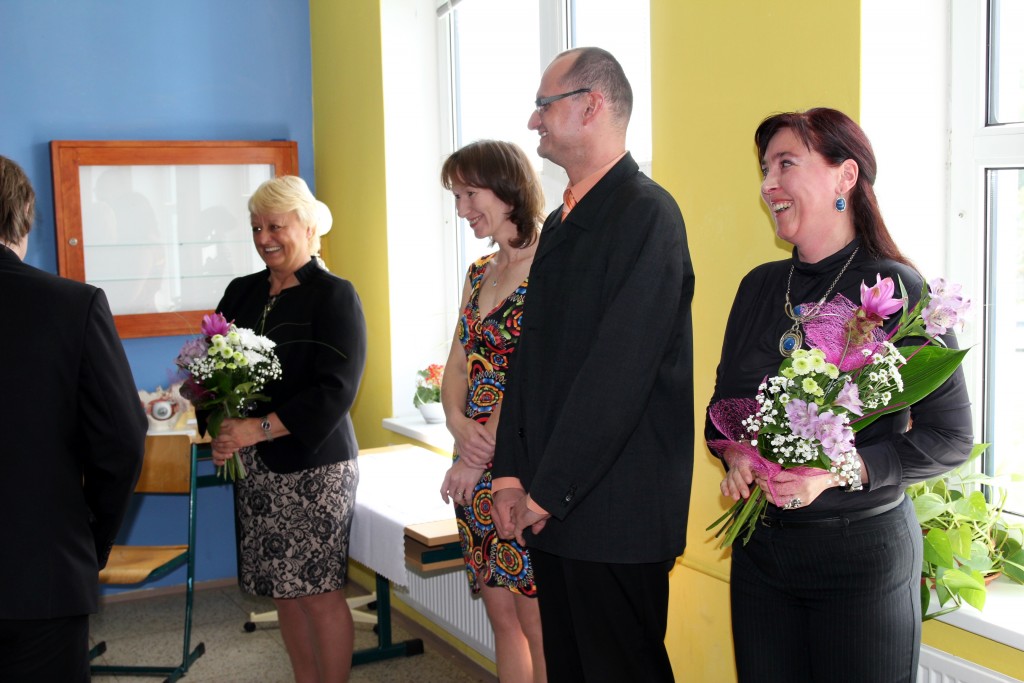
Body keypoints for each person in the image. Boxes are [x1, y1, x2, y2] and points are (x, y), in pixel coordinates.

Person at [707, 108, 974, 682]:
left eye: (786, 164)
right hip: (761, 553)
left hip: (861, 559)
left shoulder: (896, 291)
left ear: (845, 176)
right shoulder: (758, 287)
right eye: (764, 168)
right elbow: (722, 410)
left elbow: (950, 438)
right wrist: (737, 456)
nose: (768, 184)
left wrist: (837, 471)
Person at [491, 48, 695, 682]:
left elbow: (619, 374)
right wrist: (510, 473)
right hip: (553, 504)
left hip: (615, 512)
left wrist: (547, 489)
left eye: (544, 105)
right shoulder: (561, 222)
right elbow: (530, 362)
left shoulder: (646, 214)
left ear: (591, 106)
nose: (534, 121)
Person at [208, 175, 367, 683]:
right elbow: (209, 371)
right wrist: (221, 425)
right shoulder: (241, 292)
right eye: (257, 227)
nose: (264, 238)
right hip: (257, 469)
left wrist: (257, 429)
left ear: (309, 226)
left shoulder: (334, 295)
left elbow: (335, 390)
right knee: (284, 593)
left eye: (276, 226)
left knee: (318, 593)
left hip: (315, 468)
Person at [0, 154, 146, 681]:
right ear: (25, 216)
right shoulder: (72, 305)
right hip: (41, 569)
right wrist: (91, 539)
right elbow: (123, 440)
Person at [437, 140, 547, 683]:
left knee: (538, 624)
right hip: (473, 457)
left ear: (506, 189)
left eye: (469, 194)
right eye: (456, 197)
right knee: (502, 619)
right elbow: (458, 363)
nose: (462, 209)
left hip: (519, 463)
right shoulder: (479, 271)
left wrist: (477, 454)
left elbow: (532, 375)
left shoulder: (551, 265)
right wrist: (457, 425)